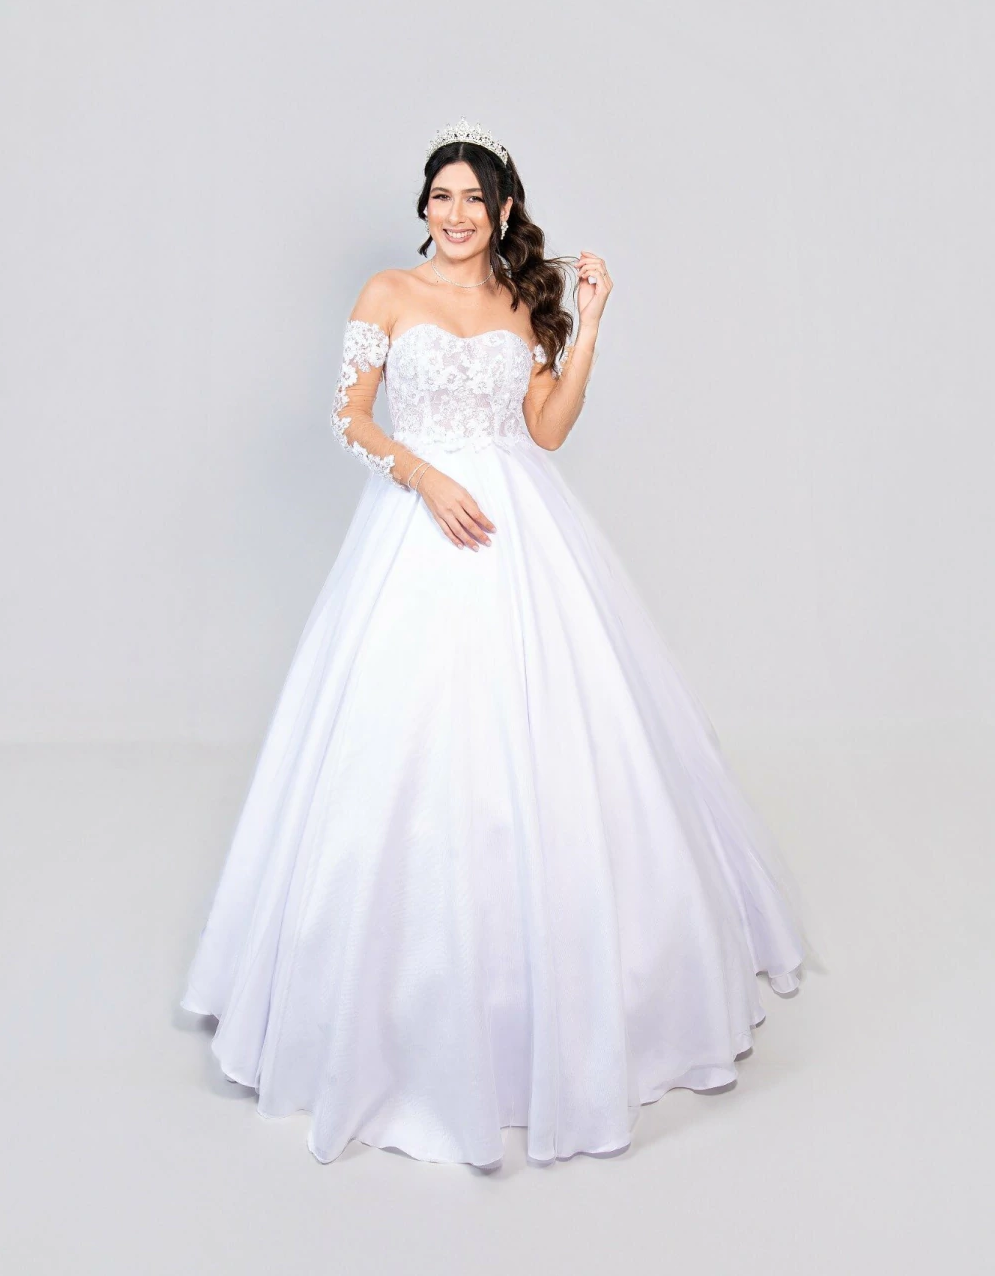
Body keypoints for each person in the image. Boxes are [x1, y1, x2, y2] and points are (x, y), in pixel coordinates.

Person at [180, 117, 815, 1169]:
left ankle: (572, 1004)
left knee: (554, 739)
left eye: (474, 197)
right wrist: (425, 476)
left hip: (521, 525)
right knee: (399, 745)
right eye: (441, 196)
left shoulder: (525, 300)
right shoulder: (389, 292)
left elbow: (547, 430)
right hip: (419, 521)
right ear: (424, 207)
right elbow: (350, 416)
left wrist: (591, 326)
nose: (456, 213)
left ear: (504, 208)